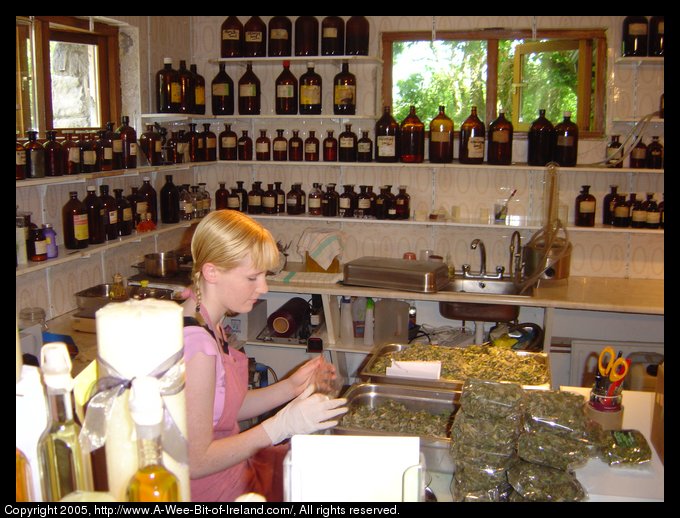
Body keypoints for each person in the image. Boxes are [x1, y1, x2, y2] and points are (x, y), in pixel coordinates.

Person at [182, 209, 347, 501]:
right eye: (252, 277)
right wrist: (282, 425)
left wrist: (291, 387)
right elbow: (196, 462)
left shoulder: (210, 320)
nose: (264, 288)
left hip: (236, 475)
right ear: (212, 272)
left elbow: (225, 407)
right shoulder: (197, 347)